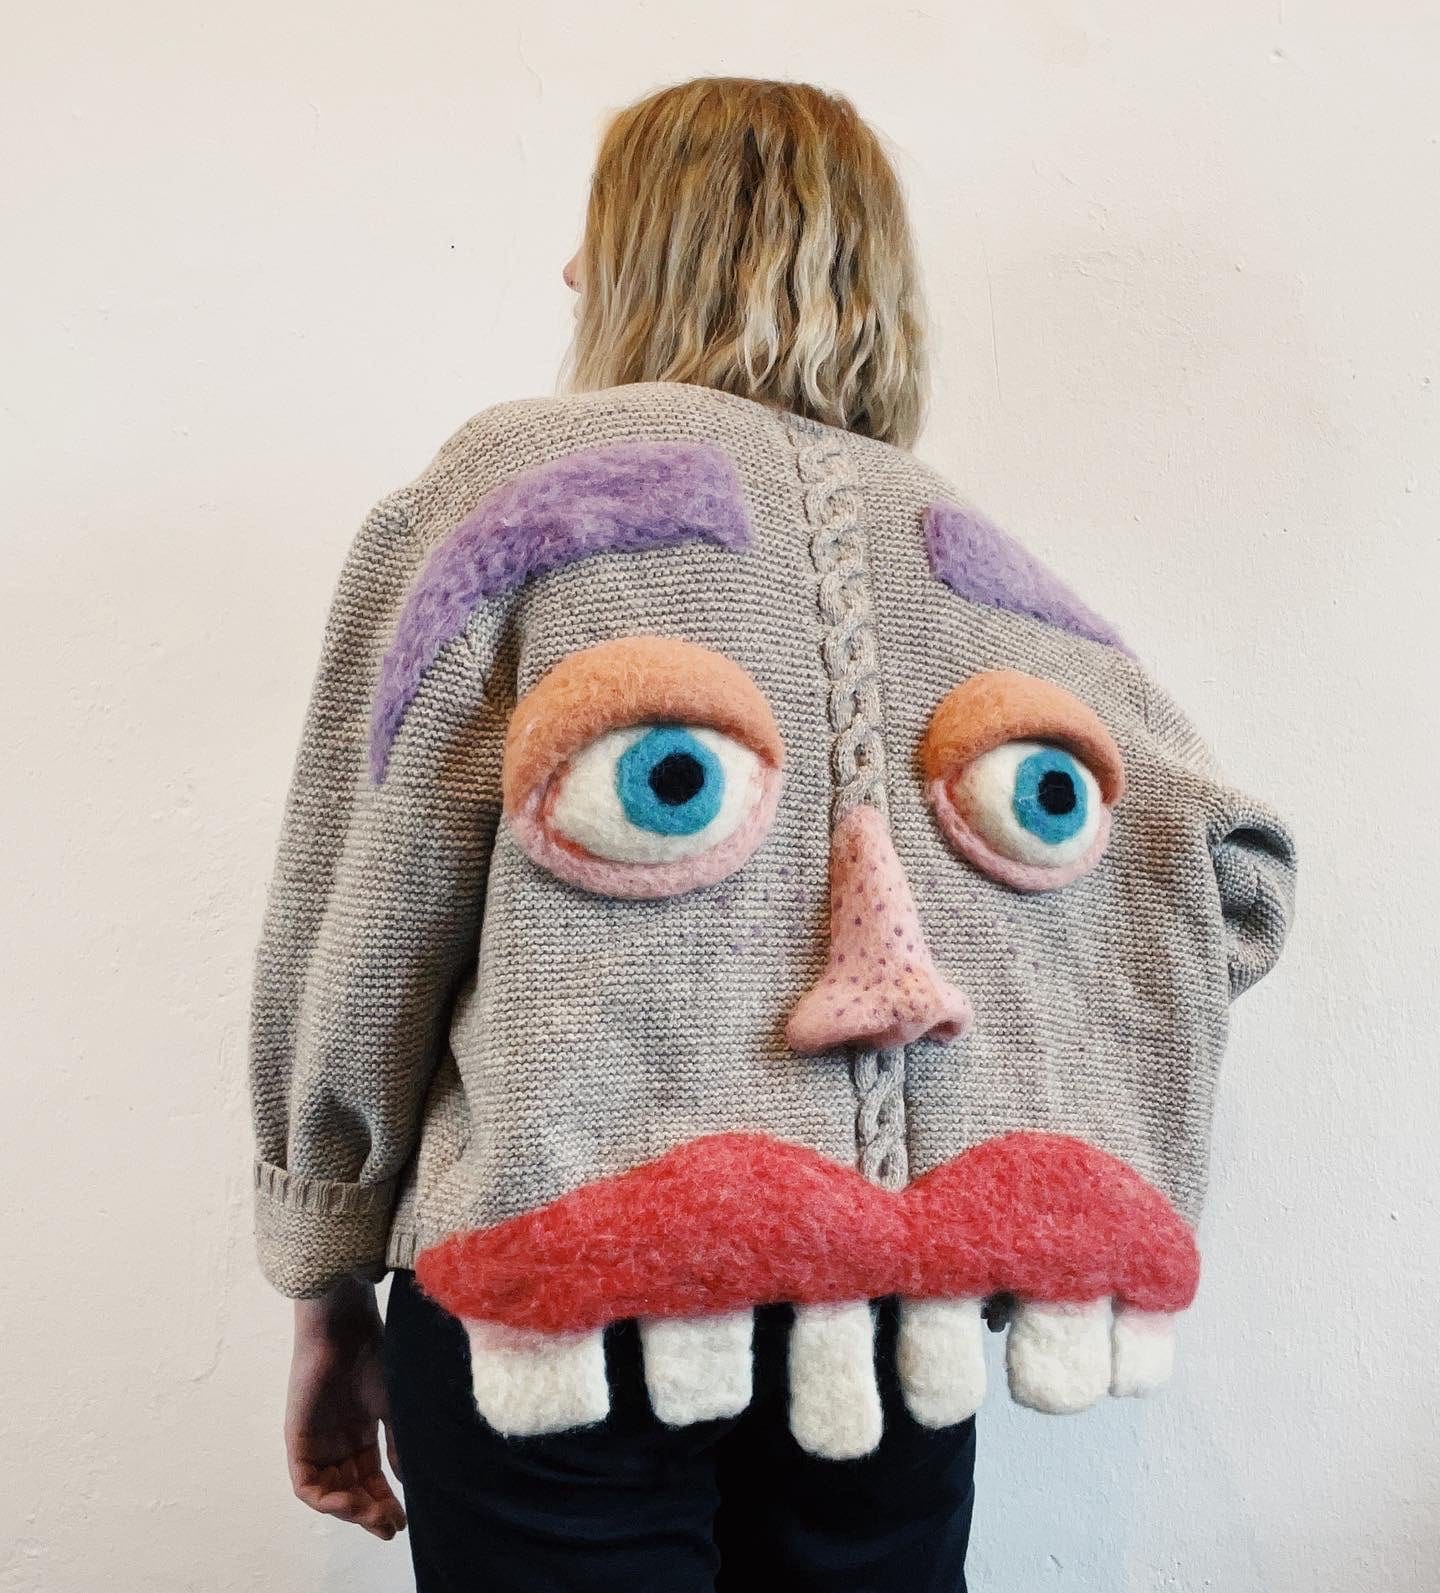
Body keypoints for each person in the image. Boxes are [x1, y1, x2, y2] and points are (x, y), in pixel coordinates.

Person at [250, 76, 1296, 1592]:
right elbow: (1232, 884)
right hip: (884, 1325)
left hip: (551, 1307)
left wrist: (325, 1266)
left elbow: (367, 911)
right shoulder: (984, 571)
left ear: (651, 251)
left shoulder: (518, 496)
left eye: (596, 232)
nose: (566, 270)